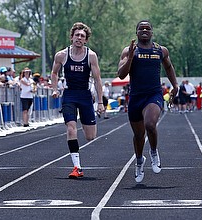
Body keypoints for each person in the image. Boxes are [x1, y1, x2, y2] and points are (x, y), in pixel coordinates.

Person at [117, 20, 178, 183]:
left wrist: (175, 85)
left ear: (152, 32)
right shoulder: (129, 50)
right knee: (138, 135)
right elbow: (122, 74)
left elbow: (169, 67)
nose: (144, 30)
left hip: (154, 94)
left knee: (150, 125)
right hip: (136, 96)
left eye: (148, 28)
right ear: (136, 32)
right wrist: (130, 56)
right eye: (141, 28)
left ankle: (153, 151)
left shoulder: (160, 50)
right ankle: (139, 161)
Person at [51, 22, 104, 179]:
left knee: (90, 137)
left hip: (85, 96)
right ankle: (77, 167)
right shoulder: (61, 55)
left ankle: (86, 125)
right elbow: (54, 73)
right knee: (71, 129)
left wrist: (100, 102)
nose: (79, 38)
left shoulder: (91, 56)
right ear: (72, 37)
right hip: (69, 95)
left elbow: (97, 79)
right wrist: (54, 89)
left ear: (86, 40)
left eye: (82, 36)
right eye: (77, 35)